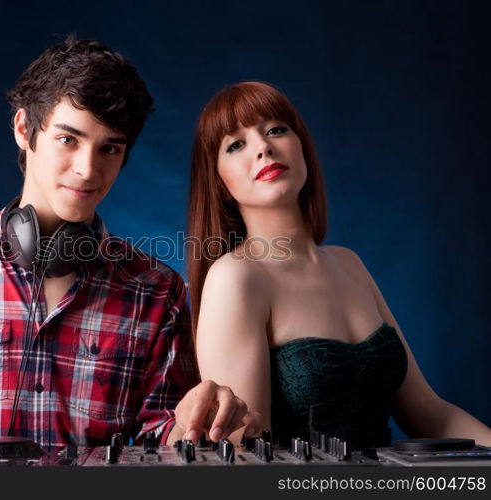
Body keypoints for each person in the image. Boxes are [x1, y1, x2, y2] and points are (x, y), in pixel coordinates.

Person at [0, 37, 258, 455]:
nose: (88, 170)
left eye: (109, 148)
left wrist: (194, 423)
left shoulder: (157, 291)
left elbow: (167, 438)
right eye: (68, 139)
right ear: (23, 129)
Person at [187, 81, 491, 449]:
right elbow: (244, 450)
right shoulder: (235, 278)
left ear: (301, 147)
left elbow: (430, 414)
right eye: (236, 145)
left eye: (275, 130)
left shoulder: (349, 264)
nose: (263, 148)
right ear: (219, 183)